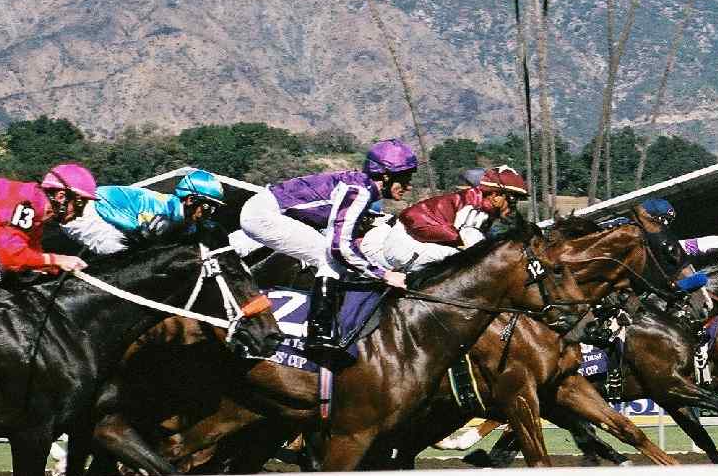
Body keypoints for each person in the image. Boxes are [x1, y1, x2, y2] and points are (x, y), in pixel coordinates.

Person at [239, 139, 418, 354]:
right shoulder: (359, 191)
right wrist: (384, 275)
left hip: (263, 210)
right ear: (386, 175)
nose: (409, 186)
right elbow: (340, 247)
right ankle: (318, 333)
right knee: (330, 259)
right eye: (405, 178)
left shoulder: (361, 187)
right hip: (264, 214)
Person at [0, 164, 97, 361]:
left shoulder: (36, 214)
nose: (80, 212)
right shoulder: (26, 205)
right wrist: (57, 259)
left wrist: (56, 267)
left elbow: (31, 256)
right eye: (80, 203)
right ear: (61, 196)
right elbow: (10, 257)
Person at [383, 166, 527, 272]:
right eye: (513, 200)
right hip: (404, 245)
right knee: (473, 262)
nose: (514, 208)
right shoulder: (475, 209)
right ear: (495, 195)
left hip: (411, 241)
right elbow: (474, 247)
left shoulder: (481, 204)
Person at [63, 169, 225, 254]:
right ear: (190, 200)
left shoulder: (188, 221)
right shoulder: (161, 212)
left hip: (112, 216)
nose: (210, 213)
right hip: (86, 212)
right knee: (121, 253)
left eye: (214, 208)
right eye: (207, 206)